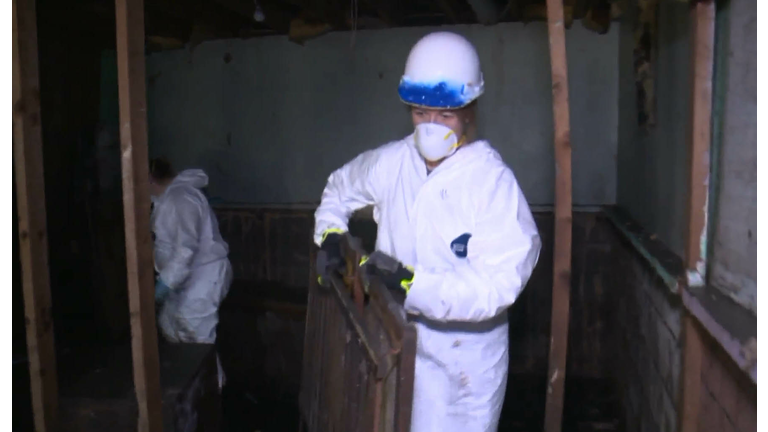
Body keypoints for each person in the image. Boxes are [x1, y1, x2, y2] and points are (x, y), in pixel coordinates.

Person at [313, 32, 541, 432]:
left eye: (445, 115)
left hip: (464, 365)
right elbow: (338, 189)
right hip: (396, 342)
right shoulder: (393, 163)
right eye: (420, 113)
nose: (431, 126)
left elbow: (499, 284)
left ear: (470, 110)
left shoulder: (491, 183)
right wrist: (330, 235)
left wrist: (411, 285)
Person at [149, 158, 233, 344]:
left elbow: (185, 250)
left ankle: (208, 373)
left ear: (150, 179)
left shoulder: (181, 198)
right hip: (187, 279)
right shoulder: (169, 198)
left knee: (197, 343)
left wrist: (164, 284)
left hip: (203, 278)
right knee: (171, 328)